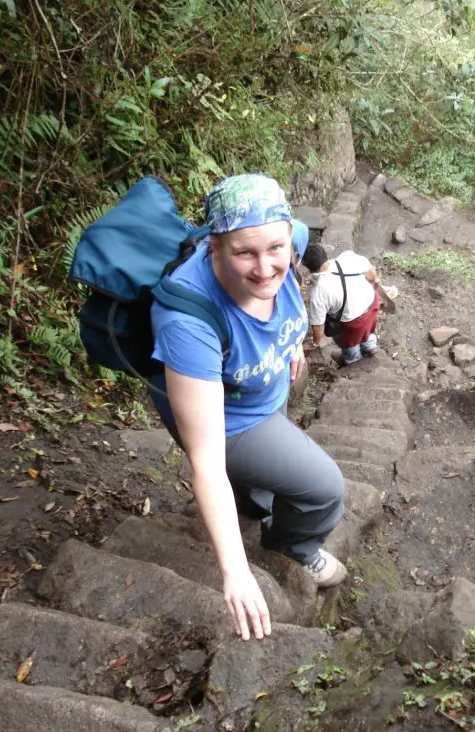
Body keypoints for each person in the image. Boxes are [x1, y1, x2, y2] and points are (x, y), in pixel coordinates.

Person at [148, 174, 347, 642]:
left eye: (275, 249)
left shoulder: (285, 236)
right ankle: (292, 545)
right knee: (325, 489)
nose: (264, 268)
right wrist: (235, 571)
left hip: (261, 388)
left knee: (261, 486)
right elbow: (207, 461)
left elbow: (287, 283)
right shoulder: (187, 322)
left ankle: (255, 508)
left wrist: (291, 340)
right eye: (244, 254)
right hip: (229, 421)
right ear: (214, 246)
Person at [301, 243, 380, 365]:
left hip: (354, 322)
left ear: (308, 268)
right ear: (324, 254)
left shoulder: (319, 293)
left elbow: (318, 326)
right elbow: (372, 275)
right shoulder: (348, 257)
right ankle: (370, 346)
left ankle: (352, 360)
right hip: (372, 303)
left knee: (349, 342)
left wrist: (315, 342)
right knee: (368, 329)